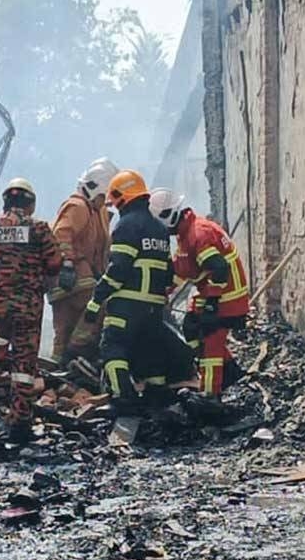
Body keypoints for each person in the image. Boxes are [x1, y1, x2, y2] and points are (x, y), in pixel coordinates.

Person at [0, 178, 63, 441]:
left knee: (1, 335)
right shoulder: (38, 228)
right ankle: (19, 420)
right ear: (30, 204)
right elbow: (54, 263)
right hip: (26, 303)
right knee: (24, 362)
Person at [84, 170, 174, 414]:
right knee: (150, 351)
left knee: (113, 348)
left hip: (127, 304)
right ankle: (157, 399)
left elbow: (118, 270)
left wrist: (95, 302)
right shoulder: (160, 228)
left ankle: (125, 398)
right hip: (154, 306)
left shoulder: (127, 226)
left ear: (120, 197)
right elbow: (169, 273)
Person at [149, 188, 249, 398]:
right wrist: (160, 291)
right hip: (217, 295)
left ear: (169, 216)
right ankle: (230, 370)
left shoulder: (198, 234)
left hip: (227, 298)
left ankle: (210, 395)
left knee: (210, 341)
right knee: (191, 327)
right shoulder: (186, 235)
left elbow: (219, 268)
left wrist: (212, 304)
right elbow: (183, 270)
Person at [48, 158, 118, 363]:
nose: (105, 202)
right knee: (90, 314)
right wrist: (68, 265)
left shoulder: (98, 211)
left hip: (83, 279)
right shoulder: (77, 206)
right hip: (71, 279)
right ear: (93, 188)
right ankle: (69, 358)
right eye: (104, 196)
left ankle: (62, 367)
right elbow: (61, 234)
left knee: (69, 329)